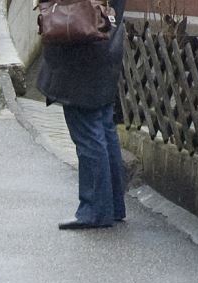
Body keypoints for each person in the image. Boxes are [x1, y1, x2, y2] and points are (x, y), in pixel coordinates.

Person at [35, 0, 128, 231]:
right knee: (104, 127)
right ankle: (113, 205)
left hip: (81, 41)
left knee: (88, 132)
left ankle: (95, 210)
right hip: (107, 38)